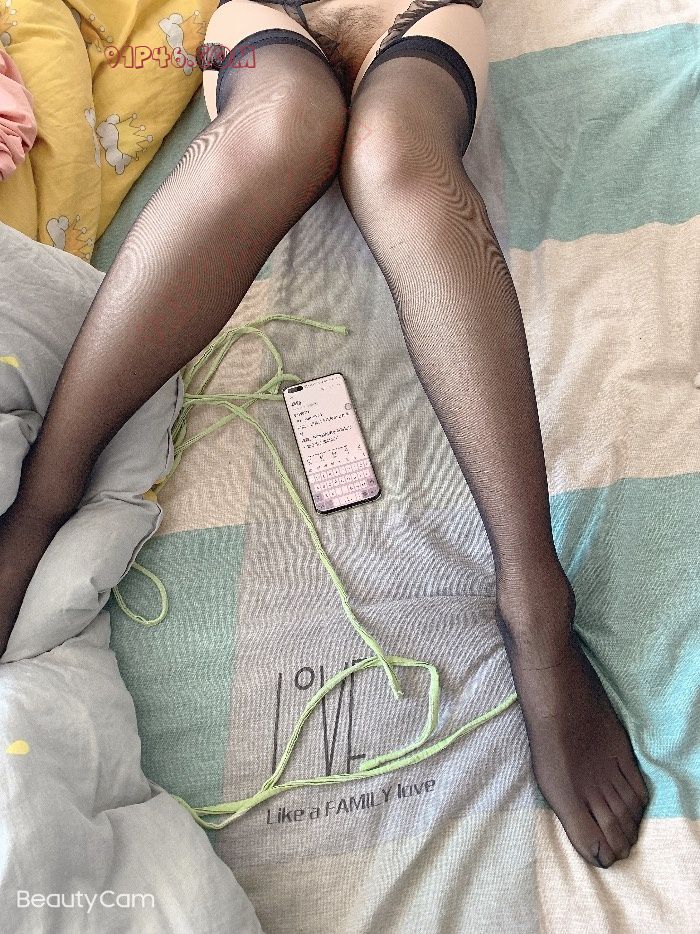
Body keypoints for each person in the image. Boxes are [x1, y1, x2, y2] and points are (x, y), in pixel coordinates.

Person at [0, 0, 649, 869]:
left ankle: (535, 603)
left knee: (392, 154)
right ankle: (45, 497)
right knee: (282, 127)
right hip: (269, 16)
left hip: (418, 16)